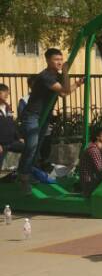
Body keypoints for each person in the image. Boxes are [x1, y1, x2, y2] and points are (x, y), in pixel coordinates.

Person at [18, 48, 84, 191]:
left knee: (36, 148)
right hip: (32, 115)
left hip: (44, 115)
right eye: (56, 60)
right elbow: (65, 90)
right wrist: (65, 72)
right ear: (48, 60)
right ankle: (23, 176)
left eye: (61, 59)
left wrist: (78, 84)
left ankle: (29, 172)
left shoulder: (56, 76)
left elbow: (63, 94)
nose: (60, 62)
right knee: (31, 146)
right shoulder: (45, 76)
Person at [78, 127, 102, 196]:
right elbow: (100, 169)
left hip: (93, 183)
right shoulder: (93, 150)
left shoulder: (99, 150)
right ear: (97, 137)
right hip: (90, 185)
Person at [0, 83, 25, 171]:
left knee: (29, 149)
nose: (7, 94)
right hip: (1, 144)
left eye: (8, 92)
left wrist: (19, 137)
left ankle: (23, 173)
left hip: (12, 142)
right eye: (4, 91)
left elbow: (13, 124)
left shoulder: (7, 107)